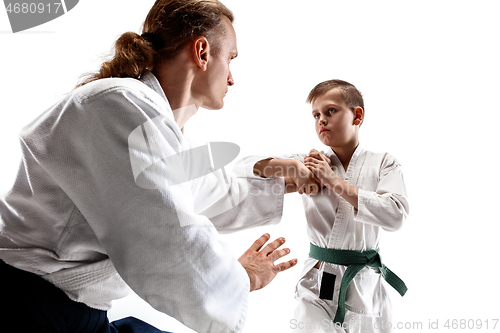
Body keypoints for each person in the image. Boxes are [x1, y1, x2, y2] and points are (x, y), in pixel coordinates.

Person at [0, 1, 299, 332]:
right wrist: (243, 275)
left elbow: (198, 189)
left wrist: (278, 179)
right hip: (30, 306)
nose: (232, 78)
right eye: (230, 58)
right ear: (202, 52)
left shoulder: (143, 116)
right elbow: (166, 236)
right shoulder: (120, 106)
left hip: (64, 307)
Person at [253, 80, 410, 332]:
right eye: (316, 115)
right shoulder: (309, 162)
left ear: (357, 116)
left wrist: (334, 182)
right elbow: (256, 168)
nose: (321, 120)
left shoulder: (384, 163)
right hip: (318, 282)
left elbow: (396, 215)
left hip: (366, 286)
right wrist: (295, 169)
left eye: (330, 111)